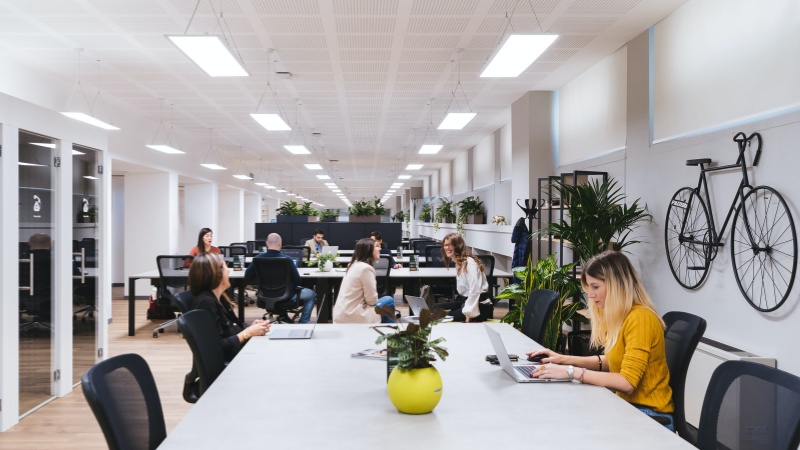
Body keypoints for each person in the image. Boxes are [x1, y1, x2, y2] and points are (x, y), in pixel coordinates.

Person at [526, 251, 674, 431]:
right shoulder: (622, 315)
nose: (590, 294)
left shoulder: (641, 318)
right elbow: (614, 360)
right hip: (627, 408)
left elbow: (627, 382)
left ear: (616, 285)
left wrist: (571, 372)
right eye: (589, 287)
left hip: (649, 415)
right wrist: (562, 359)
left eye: (595, 287)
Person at [186, 251, 270, 362]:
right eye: (226, 267)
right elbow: (216, 348)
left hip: (238, 354)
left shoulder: (220, 298)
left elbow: (231, 328)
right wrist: (247, 333)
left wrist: (250, 328)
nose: (228, 271)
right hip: (230, 364)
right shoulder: (206, 304)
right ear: (216, 274)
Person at [245, 233, 317, 324]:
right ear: (280, 243)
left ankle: (284, 316)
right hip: (287, 296)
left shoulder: (257, 259)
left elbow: (247, 277)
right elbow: (298, 281)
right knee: (311, 295)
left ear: (266, 244)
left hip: (264, 296)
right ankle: (303, 323)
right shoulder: (287, 259)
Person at [333, 238, 395, 324]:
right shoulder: (366, 269)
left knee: (384, 304)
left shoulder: (353, 264)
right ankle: (390, 332)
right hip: (354, 315)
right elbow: (372, 300)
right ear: (369, 250)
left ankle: (387, 330)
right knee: (388, 300)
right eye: (377, 246)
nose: (380, 248)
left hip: (342, 314)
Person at [436, 232, 494, 322]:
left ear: (457, 246)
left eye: (450, 245)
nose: (446, 248)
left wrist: (468, 314)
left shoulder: (469, 263)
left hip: (479, 305)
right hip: (464, 301)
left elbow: (475, 289)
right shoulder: (459, 263)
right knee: (435, 309)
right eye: (445, 245)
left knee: (443, 317)